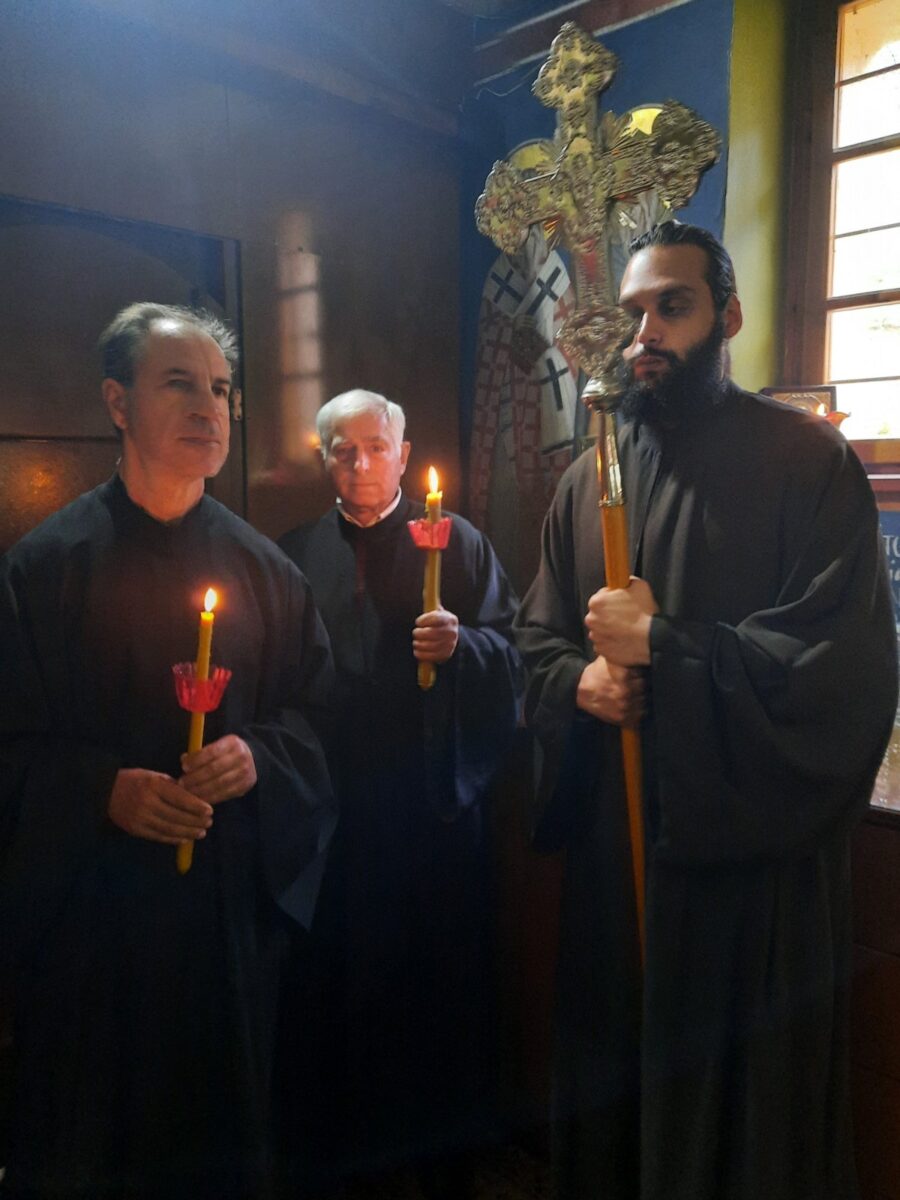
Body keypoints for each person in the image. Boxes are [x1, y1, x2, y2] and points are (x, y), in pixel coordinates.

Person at [514, 222, 898, 1200]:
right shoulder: (588, 478)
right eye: (634, 312)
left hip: (745, 886)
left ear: (728, 318)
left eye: (673, 306)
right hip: (619, 863)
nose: (646, 331)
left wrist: (667, 646)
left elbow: (838, 672)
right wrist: (583, 686)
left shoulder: (808, 463)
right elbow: (535, 645)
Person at [0, 303, 335, 1199]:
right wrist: (99, 790)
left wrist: (261, 757)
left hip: (223, 928)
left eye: (220, 389)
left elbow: (318, 721)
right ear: (118, 402)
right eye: (179, 384)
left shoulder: (269, 573)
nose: (208, 408)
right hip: (92, 934)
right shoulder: (44, 569)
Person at [278, 389, 522, 1196]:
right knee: (340, 987)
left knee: (436, 990)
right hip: (334, 816)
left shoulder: (458, 543)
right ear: (323, 460)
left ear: (404, 455)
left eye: (376, 447)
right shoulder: (292, 553)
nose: (361, 464)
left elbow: (514, 652)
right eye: (343, 450)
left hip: (431, 811)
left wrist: (464, 646)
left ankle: (439, 1159)